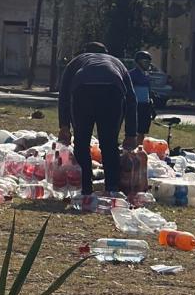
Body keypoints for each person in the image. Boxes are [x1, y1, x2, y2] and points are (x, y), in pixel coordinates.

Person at [58, 42, 138, 196]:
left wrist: (64, 126)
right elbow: (131, 99)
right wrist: (131, 133)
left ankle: (85, 188)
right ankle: (112, 188)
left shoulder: (76, 61)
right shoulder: (116, 62)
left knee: (81, 142)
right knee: (109, 144)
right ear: (106, 53)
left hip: (83, 90)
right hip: (112, 90)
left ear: (84, 52)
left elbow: (64, 96)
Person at [129, 50, 155, 138]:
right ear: (137, 62)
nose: (148, 64)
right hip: (136, 105)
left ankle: (140, 147)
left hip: (145, 105)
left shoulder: (146, 75)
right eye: (145, 62)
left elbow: (148, 90)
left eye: (149, 62)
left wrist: (151, 103)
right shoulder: (131, 74)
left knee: (143, 129)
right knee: (134, 129)